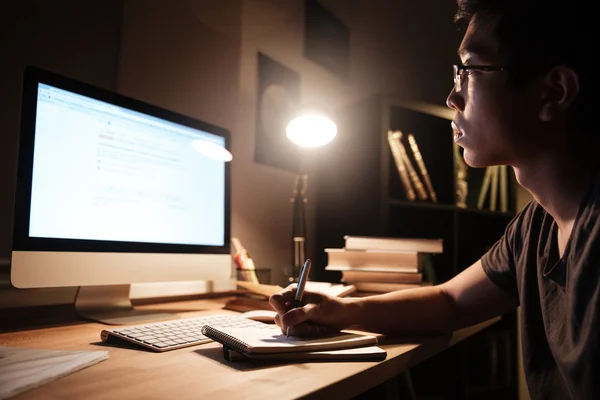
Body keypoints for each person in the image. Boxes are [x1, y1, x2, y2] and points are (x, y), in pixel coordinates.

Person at [269, 0, 599, 398]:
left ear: (553, 92)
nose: (452, 98)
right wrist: (339, 311)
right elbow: (450, 302)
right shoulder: (535, 227)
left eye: (469, 71)